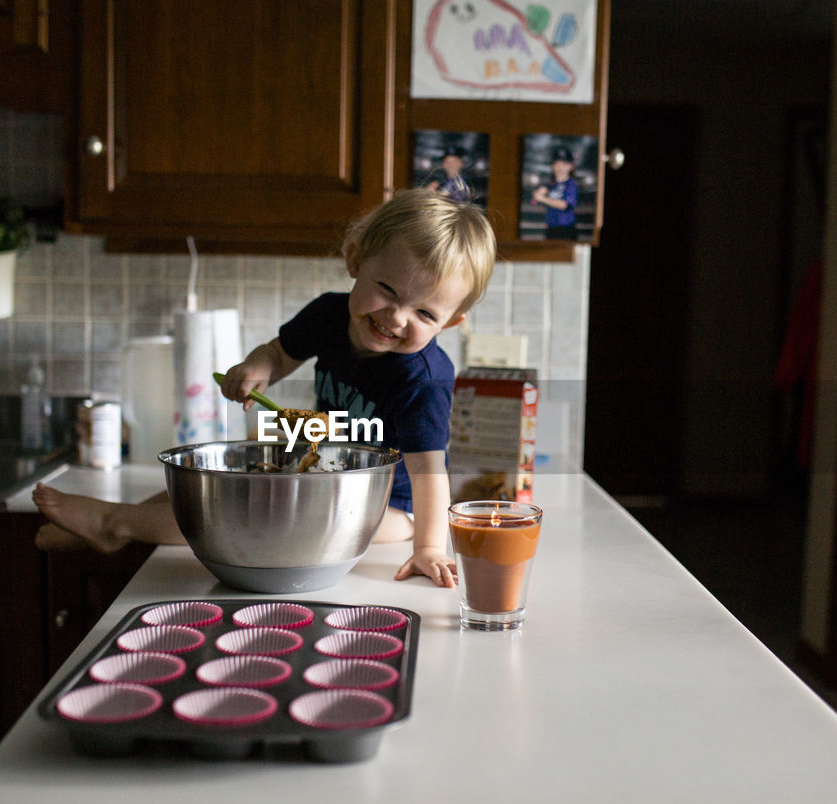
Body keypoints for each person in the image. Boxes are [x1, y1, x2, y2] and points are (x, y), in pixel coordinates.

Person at [32, 189, 497, 588]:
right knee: (213, 490)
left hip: (389, 510)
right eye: (388, 291)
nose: (397, 317)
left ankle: (115, 524)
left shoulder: (422, 380)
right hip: (322, 471)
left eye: (424, 314)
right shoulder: (329, 316)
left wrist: (430, 546)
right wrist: (256, 369)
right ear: (356, 259)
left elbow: (428, 472)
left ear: (450, 323)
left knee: (255, 511)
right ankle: (118, 520)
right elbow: (278, 354)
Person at [532, 146, 579, 240]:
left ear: (571, 166)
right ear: (553, 166)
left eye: (564, 163)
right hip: (551, 228)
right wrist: (538, 195)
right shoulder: (551, 184)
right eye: (557, 163)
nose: (560, 167)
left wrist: (543, 199)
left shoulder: (570, 184)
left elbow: (564, 205)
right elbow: (537, 196)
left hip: (566, 229)